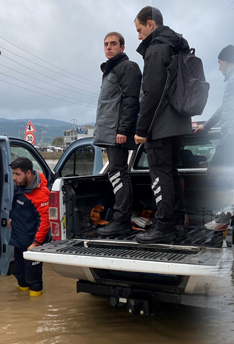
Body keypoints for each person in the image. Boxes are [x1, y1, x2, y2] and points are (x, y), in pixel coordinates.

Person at [133, 5, 191, 244]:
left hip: (161, 123)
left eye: (139, 30)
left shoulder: (157, 48)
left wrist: (141, 129)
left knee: (160, 175)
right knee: (171, 172)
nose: (138, 36)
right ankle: (177, 221)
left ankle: (164, 226)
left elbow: (152, 93)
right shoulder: (177, 45)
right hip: (179, 121)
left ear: (151, 24)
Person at [93, 31, 142, 236]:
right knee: (116, 173)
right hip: (109, 132)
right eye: (106, 44)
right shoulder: (110, 70)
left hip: (117, 133)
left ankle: (121, 220)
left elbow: (132, 100)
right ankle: (120, 218)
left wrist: (123, 130)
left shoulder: (127, 67)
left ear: (122, 47)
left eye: (113, 44)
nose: (109, 47)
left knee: (118, 173)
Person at [194, 44, 234, 211]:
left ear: (226, 61)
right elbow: (223, 108)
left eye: (219, 63)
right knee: (228, 176)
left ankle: (228, 212)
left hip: (233, 135)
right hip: (231, 133)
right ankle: (231, 213)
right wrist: (206, 126)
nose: (218, 68)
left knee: (216, 172)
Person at [8, 157, 50, 297]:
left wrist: (36, 243)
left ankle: (36, 310)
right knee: (19, 274)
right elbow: (19, 206)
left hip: (32, 243)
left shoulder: (41, 194)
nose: (14, 178)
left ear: (29, 173)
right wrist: (11, 218)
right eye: (13, 174)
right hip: (19, 239)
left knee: (33, 279)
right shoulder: (21, 186)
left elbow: (45, 221)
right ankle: (20, 308)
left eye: (17, 174)